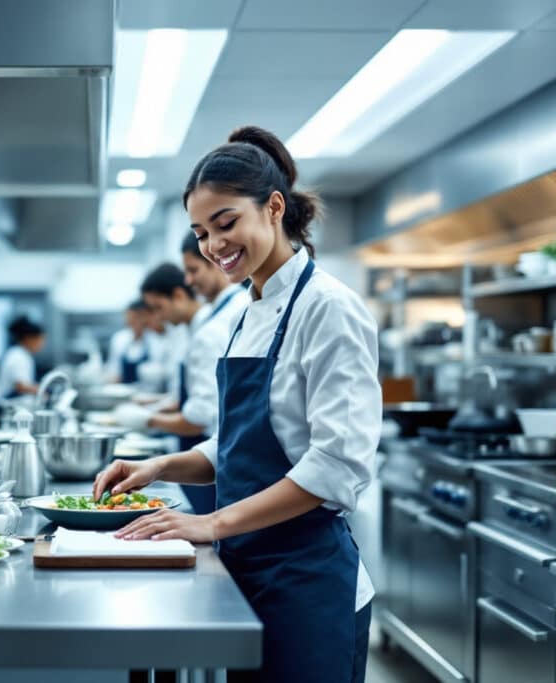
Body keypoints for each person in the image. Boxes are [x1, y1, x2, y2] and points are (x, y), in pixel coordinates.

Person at [95, 126, 379, 682]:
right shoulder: (247, 312)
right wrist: (159, 466)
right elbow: (240, 440)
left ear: (274, 208)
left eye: (226, 223)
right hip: (247, 568)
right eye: (201, 232)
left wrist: (213, 523)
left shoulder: (328, 308)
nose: (213, 245)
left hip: (307, 581)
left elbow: (337, 465)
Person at [113, 263, 230, 514]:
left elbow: (199, 418)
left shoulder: (208, 333)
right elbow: (187, 399)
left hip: (205, 450)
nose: (157, 318)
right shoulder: (191, 331)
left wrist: (148, 419)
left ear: (178, 296)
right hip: (204, 452)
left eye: (158, 308)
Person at [181, 231, 249, 333]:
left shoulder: (242, 308)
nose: (188, 281)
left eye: (193, 270)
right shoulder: (208, 314)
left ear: (214, 261)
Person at [106, 299, 161, 384]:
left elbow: (158, 375)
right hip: (123, 392)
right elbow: (113, 368)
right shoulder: (119, 339)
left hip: (149, 393)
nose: (133, 323)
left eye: (136, 319)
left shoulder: (156, 341)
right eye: (129, 320)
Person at [0, 316, 45, 399]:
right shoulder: (18, 356)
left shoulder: (21, 354)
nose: (42, 344)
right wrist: (44, 390)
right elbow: (20, 386)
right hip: (10, 405)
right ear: (29, 339)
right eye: (40, 340)